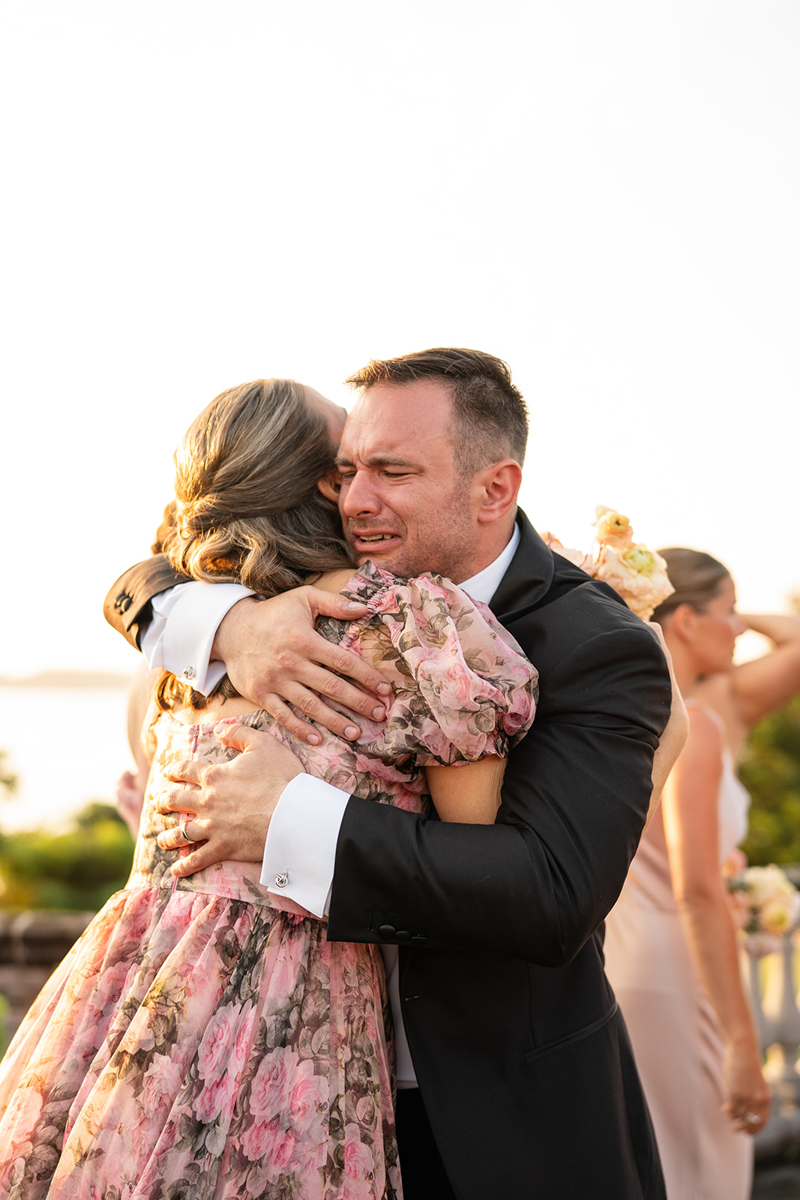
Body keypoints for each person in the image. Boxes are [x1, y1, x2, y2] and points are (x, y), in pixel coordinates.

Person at [102, 347, 679, 1199]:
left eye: (393, 472)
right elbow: (152, 572)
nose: (358, 500)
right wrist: (224, 624)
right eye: (345, 473)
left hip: (494, 1122)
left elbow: (549, 892)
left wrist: (288, 818)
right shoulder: (310, 607)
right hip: (284, 1092)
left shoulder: (599, 644)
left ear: (494, 489)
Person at [0, 378, 539, 1199]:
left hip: (131, 988)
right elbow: (476, 861)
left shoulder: (181, 649)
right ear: (326, 484)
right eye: (345, 463)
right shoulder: (407, 626)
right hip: (293, 1008)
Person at [604, 548, 800, 1199]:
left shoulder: (609, 717)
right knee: (703, 1174)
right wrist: (745, 1044)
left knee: (651, 1163)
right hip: (680, 972)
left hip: (620, 960)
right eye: (728, 610)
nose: (740, 627)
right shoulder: (695, 724)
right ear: (685, 622)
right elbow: (694, 889)